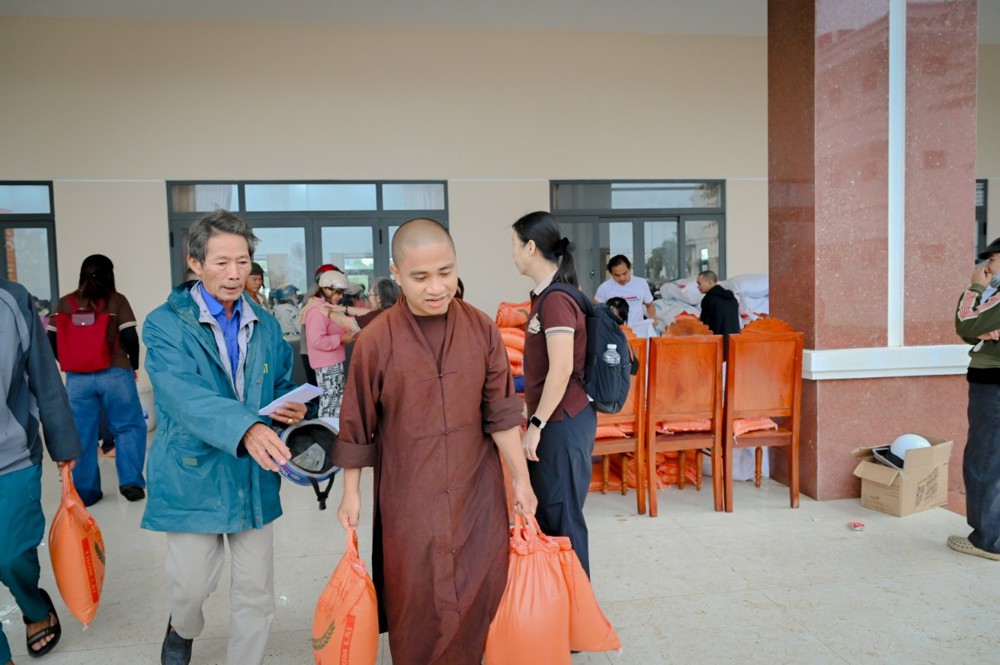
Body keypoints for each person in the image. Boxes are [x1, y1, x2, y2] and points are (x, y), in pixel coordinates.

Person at [333, 218, 537, 664]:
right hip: (410, 497)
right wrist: (351, 493)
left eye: (445, 272)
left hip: (476, 491)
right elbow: (357, 422)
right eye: (420, 276)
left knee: (483, 589)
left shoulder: (481, 329)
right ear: (397, 273)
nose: (436, 287)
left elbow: (502, 414)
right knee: (416, 599)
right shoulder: (375, 340)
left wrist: (521, 480)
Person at [141, 210, 308, 665]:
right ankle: (182, 626)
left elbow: (278, 384)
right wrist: (247, 427)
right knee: (190, 587)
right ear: (195, 263)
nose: (235, 274)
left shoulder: (265, 324)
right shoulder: (164, 324)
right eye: (221, 262)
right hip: (193, 472)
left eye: (242, 261)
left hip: (253, 474)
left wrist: (290, 408)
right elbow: (182, 395)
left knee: (256, 591)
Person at [512, 211, 598, 576]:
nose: (513, 253)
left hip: (562, 423)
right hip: (558, 421)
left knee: (563, 519)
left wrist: (536, 424)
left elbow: (561, 369)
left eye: (514, 245)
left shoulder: (557, 300)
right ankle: (563, 601)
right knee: (552, 514)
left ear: (531, 247)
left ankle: (578, 603)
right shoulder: (546, 296)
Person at [1, 278, 81, 663]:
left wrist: (62, 443)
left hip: (11, 456)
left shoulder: (12, 299)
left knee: (12, 556)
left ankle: (33, 606)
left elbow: (44, 376)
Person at [47, 254, 147, 505]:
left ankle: (86, 492)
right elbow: (130, 336)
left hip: (77, 380)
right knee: (128, 426)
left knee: (82, 434)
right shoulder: (116, 300)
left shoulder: (65, 303)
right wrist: (132, 366)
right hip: (115, 373)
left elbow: (51, 339)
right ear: (110, 275)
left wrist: (70, 361)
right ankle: (131, 482)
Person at [951, 240, 1000, 562]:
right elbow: (973, 332)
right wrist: (981, 327)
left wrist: (975, 288)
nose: (987, 267)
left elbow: (965, 324)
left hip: (993, 385)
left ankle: (988, 541)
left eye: (992, 259)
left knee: (985, 461)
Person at [300, 269, 355, 419]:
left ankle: (332, 430)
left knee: (335, 401)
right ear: (326, 290)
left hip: (332, 362)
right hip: (326, 365)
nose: (340, 297)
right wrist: (340, 339)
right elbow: (316, 340)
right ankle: (326, 431)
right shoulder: (317, 310)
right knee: (330, 403)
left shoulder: (326, 307)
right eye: (338, 293)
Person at [593, 254, 656, 328]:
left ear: (629, 269)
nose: (622, 278)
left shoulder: (641, 283)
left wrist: (652, 319)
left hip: (638, 330)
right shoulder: (604, 287)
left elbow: (650, 305)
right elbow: (596, 309)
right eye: (617, 275)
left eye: (624, 273)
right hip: (615, 331)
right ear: (611, 274)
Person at [327, 276, 400, 334]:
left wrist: (326, 312)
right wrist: (343, 308)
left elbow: (348, 323)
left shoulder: (378, 316)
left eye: (370, 295)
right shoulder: (393, 312)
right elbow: (368, 312)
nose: (368, 298)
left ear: (378, 298)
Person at [696, 270, 740, 352]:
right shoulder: (732, 298)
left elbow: (705, 327)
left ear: (710, 282)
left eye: (699, 283)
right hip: (733, 343)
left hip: (717, 345)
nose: (697, 287)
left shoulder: (709, 299)